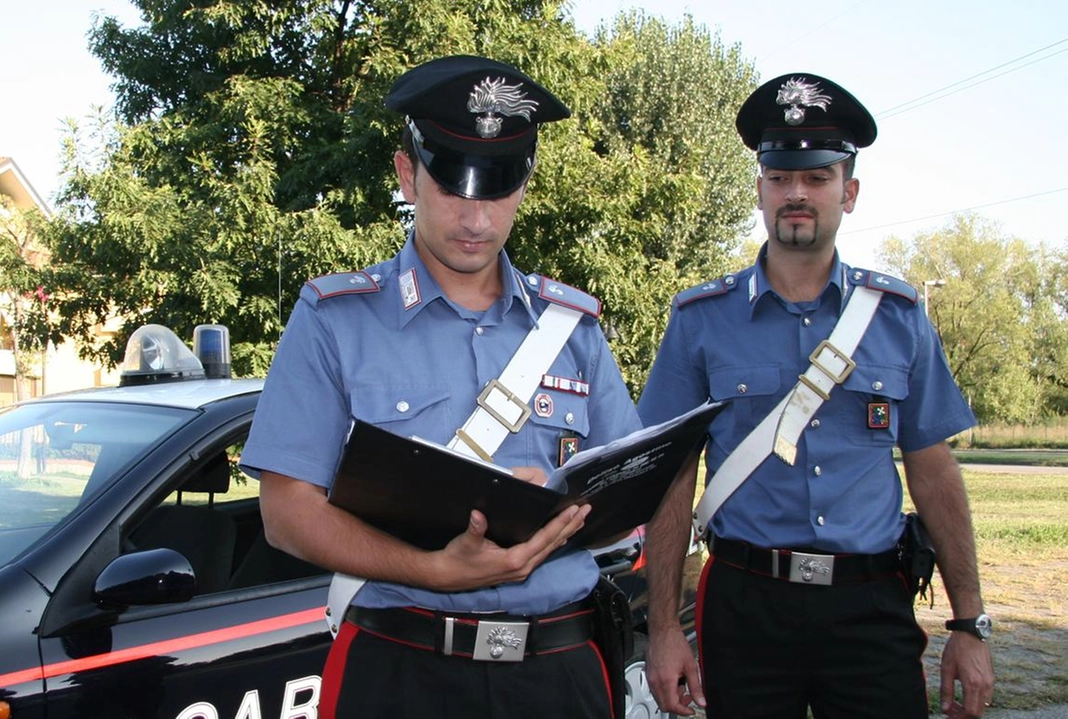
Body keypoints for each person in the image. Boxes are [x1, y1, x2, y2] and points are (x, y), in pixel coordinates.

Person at [238, 55, 643, 718]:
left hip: (558, 673)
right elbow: (286, 515)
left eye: (499, 188)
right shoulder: (335, 318)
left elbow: (626, 492)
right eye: (454, 185)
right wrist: (431, 568)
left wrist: (558, 505)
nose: (477, 217)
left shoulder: (573, 328)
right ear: (408, 175)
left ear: (525, 182)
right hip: (402, 672)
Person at [637, 72, 996, 719]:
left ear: (849, 191)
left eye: (818, 176)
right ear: (760, 190)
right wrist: (663, 628)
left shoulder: (898, 318)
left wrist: (969, 623)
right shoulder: (700, 319)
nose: (796, 193)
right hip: (746, 605)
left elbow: (934, 468)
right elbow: (671, 477)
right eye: (780, 177)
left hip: (870, 606)